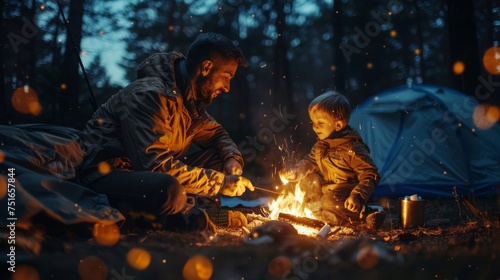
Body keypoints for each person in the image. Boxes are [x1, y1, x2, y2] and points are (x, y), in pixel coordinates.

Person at [78, 32, 254, 231]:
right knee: (168, 189)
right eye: (226, 77)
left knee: (217, 160)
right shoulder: (150, 95)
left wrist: (232, 159)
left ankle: (197, 213)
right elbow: (154, 166)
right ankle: (182, 217)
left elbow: (217, 135)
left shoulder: (190, 105)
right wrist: (220, 183)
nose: (227, 88)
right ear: (206, 68)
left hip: (144, 176)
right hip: (106, 176)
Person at [280, 91, 385, 229]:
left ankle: (366, 212)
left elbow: (371, 173)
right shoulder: (320, 145)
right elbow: (310, 161)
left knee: (330, 202)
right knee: (308, 179)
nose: (315, 126)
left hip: (346, 195)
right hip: (327, 190)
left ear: (339, 125)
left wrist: (357, 196)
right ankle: (318, 212)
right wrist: (298, 171)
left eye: (320, 122)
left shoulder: (351, 148)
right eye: (313, 122)